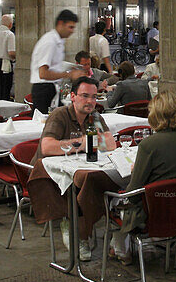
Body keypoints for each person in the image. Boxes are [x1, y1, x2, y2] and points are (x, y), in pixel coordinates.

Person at [27, 77, 117, 261]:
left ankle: (84, 228)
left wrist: (86, 144)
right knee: (83, 187)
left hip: (80, 168)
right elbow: (47, 147)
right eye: (85, 96)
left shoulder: (95, 116)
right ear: (73, 96)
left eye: (94, 97)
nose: (91, 101)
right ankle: (78, 231)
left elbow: (110, 143)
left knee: (96, 183)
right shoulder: (60, 115)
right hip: (48, 173)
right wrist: (82, 143)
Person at [108, 91, 176, 263]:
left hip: (149, 216)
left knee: (112, 199)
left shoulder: (149, 145)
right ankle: (124, 247)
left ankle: (122, 249)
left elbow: (134, 191)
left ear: (156, 115)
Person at [30, 9, 83, 113]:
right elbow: (43, 73)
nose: (72, 31)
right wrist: (69, 75)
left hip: (51, 87)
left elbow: (53, 66)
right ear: (60, 24)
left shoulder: (58, 41)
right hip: (44, 89)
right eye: (70, 27)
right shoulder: (50, 42)